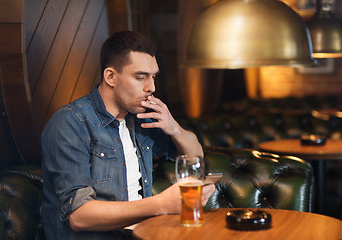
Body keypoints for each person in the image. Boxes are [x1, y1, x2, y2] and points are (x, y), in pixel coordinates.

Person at [41, 31, 215, 239]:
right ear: (111, 77)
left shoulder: (141, 119)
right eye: (141, 77)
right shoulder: (71, 123)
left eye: (153, 77)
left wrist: (174, 128)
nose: (151, 87)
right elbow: (79, 216)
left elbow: (196, 156)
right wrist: (160, 204)